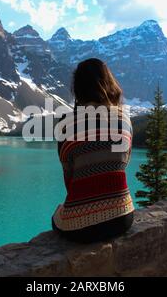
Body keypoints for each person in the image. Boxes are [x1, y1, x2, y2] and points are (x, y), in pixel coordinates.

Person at [52, 58, 135, 244]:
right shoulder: (125, 119)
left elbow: (69, 175)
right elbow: (122, 164)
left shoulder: (67, 124)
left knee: (56, 214)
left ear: (78, 88)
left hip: (80, 226)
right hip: (123, 217)